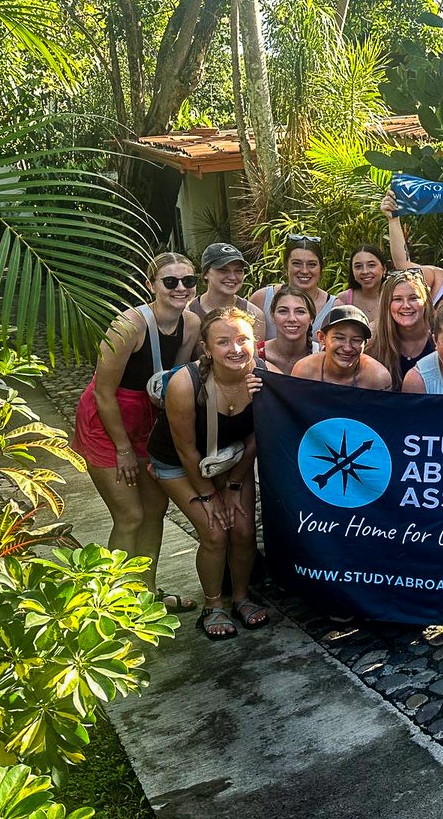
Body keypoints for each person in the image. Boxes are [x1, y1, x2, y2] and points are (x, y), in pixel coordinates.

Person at [72, 252, 201, 615]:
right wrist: (123, 449)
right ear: (152, 285)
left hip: (151, 419)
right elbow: (103, 392)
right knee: (129, 514)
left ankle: (146, 594)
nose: (180, 288)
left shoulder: (189, 324)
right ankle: (112, 603)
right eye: (170, 282)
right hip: (110, 420)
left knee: (156, 507)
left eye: (188, 281)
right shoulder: (128, 325)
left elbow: (176, 382)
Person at [145, 308, 270, 639]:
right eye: (224, 342)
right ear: (207, 349)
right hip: (176, 462)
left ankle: (241, 596)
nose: (235, 349)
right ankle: (213, 604)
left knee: (243, 528)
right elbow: (185, 450)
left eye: (243, 339)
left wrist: (232, 486)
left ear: (255, 343)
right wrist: (208, 495)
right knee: (215, 530)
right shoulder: (186, 383)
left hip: (229, 459)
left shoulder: (262, 375)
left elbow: (256, 436)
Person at [250, 235, 337, 340]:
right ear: (286, 266)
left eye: (312, 264)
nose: (304, 271)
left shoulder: (334, 306)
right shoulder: (262, 299)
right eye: (297, 264)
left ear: (321, 268)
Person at [291, 305, 392, 390]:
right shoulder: (305, 371)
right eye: (339, 338)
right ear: (322, 338)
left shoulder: (377, 377)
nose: (347, 348)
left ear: (364, 343)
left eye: (356, 340)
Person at [369, 269, 437, 391]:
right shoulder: (373, 338)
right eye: (397, 299)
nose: (406, 305)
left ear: (426, 302)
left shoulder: (441, 334)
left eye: (413, 298)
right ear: (387, 305)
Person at [187, 243, 264, 340]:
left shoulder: (254, 314)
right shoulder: (188, 314)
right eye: (223, 270)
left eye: (238, 271)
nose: (232, 277)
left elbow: (256, 354)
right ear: (205, 273)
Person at [256, 286, 320, 375]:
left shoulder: (323, 356)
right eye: (283, 311)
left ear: (311, 318)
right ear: (272, 316)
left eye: (300, 312)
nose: (292, 318)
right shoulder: (255, 354)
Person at [335, 244, 389, 321]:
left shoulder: (395, 296)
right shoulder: (343, 300)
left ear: (384, 269)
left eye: (371, 265)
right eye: (358, 267)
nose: (365, 271)